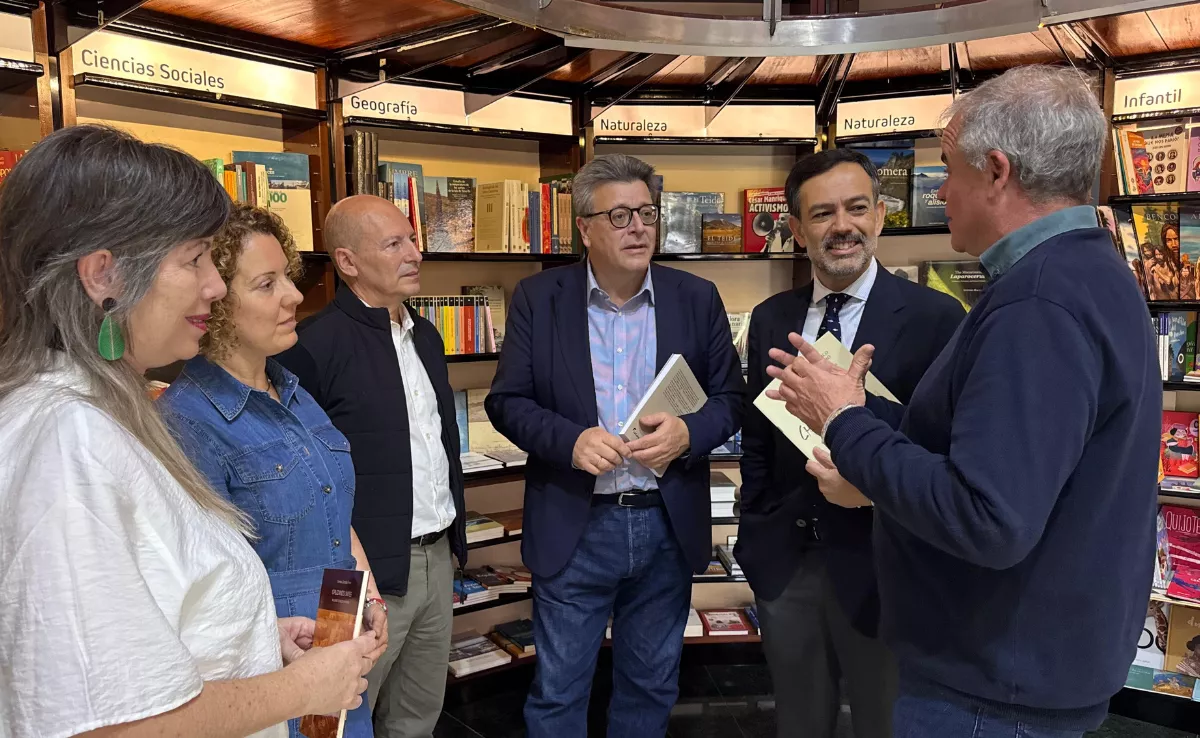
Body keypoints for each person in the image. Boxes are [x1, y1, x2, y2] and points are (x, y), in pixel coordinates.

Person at [766, 66, 1160, 737]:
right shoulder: (1089, 272)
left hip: (992, 690)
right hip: (1020, 668)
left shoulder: (1038, 303)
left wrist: (846, 420)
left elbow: (987, 516)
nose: (941, 189)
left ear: (997, 171)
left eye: (948, 168)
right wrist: (867, 416)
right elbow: (982, 452)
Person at [0, 124, 375, 738]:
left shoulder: (99, 415)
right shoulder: (69, 439)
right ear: (104, 276)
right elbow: (110, 724)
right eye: (194, 258)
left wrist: (253, 642)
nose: (215, 285)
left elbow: (127, 642)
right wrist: (302, 688)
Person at [485, 154, 744, 738]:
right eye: (620, 214)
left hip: (665, 525)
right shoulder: (538, 297)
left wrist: (688, 434)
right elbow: (508, 402)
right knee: (558, 694)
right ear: (584, 228)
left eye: (647, 213)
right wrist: (571, 441)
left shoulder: (696, 297)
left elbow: (731, 398)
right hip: (576, 524)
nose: (638, 228)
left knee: (650, 687)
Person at [736, 148, 964, 738]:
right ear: (795, 228)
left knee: (883, 723)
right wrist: (755, 532)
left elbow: (943, 447)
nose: (843, 226)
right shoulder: (768, 317)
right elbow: (757, 438)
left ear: (881, 215)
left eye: (857, 208)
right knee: (799, 723)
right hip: (787, 566)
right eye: (823, 213)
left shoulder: (937, 317)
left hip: (886, 564)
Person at [159, 203, 388, 738]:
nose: (293, 295)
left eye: (287, 276)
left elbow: (335, 517)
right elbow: (204, 589)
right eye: (267, 284)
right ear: (214, 300)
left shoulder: (294, 392)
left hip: (338, 642)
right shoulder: (187, 421)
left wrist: (369, 598)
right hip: (269, 669)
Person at [276, 195, 467, 738]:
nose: (415, 253)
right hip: (354, 574)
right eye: (395, 244)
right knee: (336, 721)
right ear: (348, 262)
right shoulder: (310, 347)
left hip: (436, 559)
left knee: (416, 717)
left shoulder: (426, 335)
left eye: (412, 238)